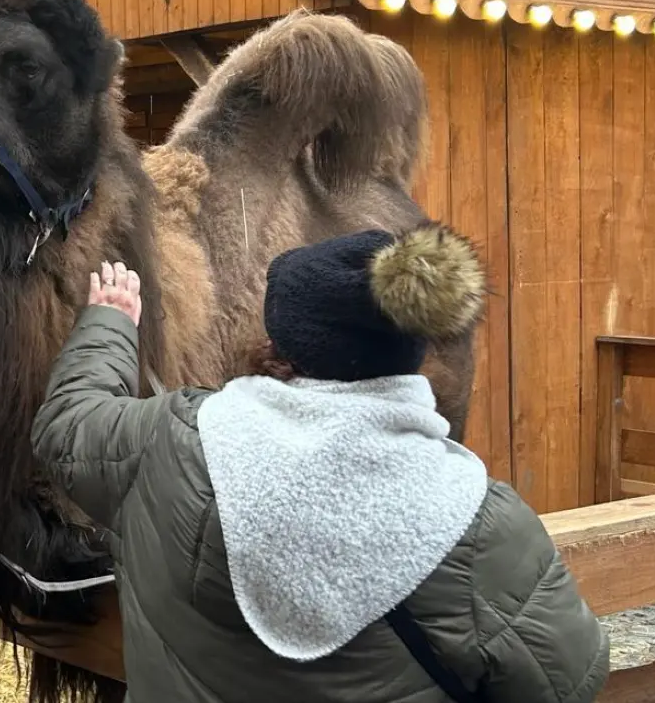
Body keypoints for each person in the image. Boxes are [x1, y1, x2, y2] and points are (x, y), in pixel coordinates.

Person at [32, 223, 609, 703]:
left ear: (281, 342)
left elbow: (68, 424)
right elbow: (569, 680)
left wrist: (109, 322)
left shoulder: (171, 440)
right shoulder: (480, 524)